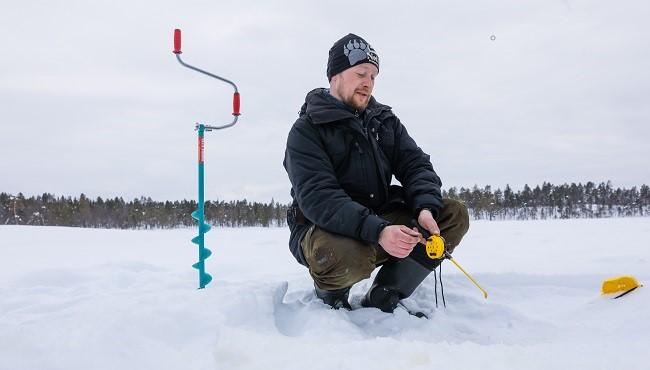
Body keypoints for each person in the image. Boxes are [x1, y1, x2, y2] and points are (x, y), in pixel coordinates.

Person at [283, 33, 470, 313]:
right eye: (360, 73)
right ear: (335, 77)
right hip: (325, 230)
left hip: (379, 217)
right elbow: (319, 199)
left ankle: (387, 292)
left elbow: (415, 164)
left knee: (451, 215)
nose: (368, 82)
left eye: (373, 76)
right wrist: (379, 230)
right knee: (345, 255)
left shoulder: (383, 121)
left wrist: (425, 208)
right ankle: (331, 294)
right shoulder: (306, 131)